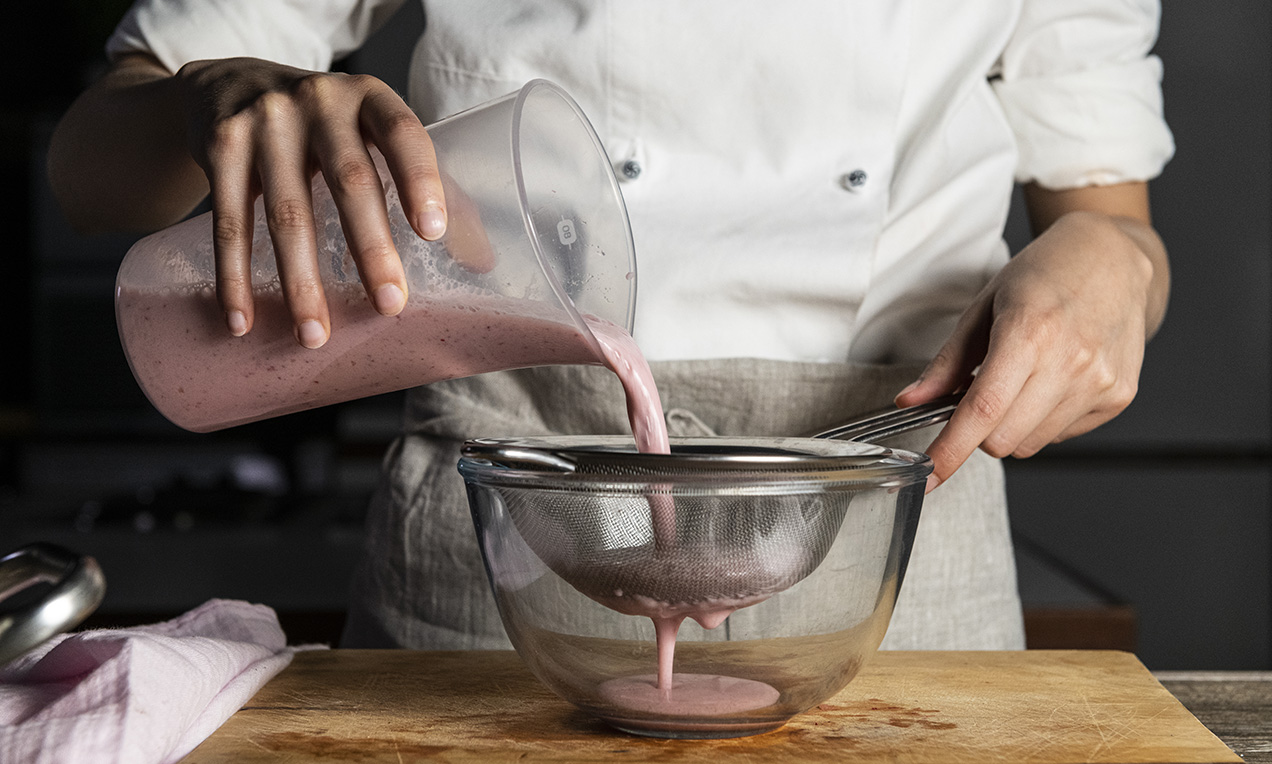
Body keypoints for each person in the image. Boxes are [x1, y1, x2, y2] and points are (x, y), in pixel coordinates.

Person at [48, 1, 1173, 650]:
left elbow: (1110, 218)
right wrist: (209, 99)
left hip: (896, 532)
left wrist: (1111, 264)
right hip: (504, 543)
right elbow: (89, 170)